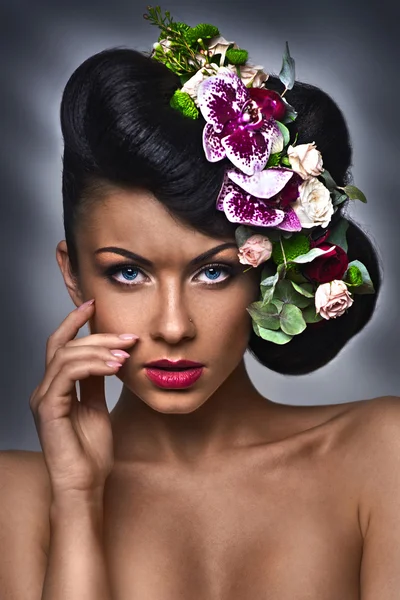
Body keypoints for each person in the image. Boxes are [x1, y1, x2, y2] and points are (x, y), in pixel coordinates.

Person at [1, 7, 400, 599]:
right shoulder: (20, 497)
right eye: (128, 272)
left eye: (213, 272)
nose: (173, 326)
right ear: (75, 276)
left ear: (272, 267)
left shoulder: (382, 453)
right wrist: (78, 502)